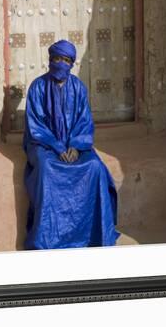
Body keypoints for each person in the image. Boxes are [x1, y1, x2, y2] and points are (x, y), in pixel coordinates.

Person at [22, 39, 121, 250]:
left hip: (76, 144)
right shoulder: (38, 87)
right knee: (46, 169)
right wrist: (58, 147)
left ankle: (93, 234)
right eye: (56, 59)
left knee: (94, 167)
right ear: (50, 60)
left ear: (71, 63)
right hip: (44, 145)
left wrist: (75, 146)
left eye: (65, 60)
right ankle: (46, 237)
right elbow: (35, 126)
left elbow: (84, 121)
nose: (60, 63)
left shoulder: (79, 87)